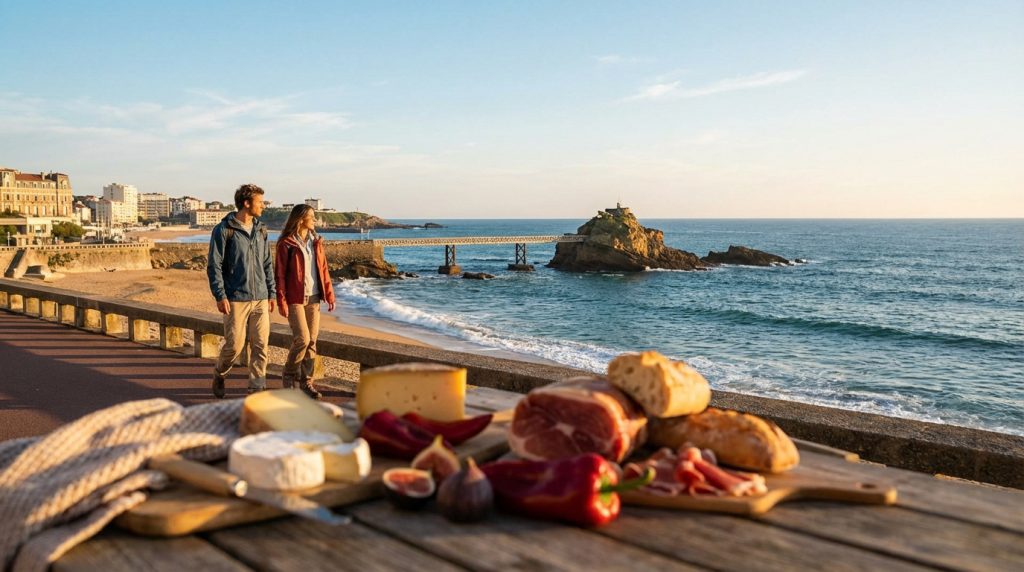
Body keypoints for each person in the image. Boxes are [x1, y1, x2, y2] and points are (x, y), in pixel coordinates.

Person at [207, 184, 276, 398]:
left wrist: (271, 292)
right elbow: (214, 265)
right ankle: (220, 372)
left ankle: (257, 388)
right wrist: (220, 295)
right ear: (246, 203)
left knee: (261, 345)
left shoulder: (261, 229)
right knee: (235, 346)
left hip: (261, 297)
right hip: (236, 297)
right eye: (260, 202)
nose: (263, 206)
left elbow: (267, 263)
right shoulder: (223, 230)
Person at [274, 204, 335, 400]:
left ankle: (307, 381)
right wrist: (281, 300)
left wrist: (330, 293)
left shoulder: (316, 242)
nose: (315, 220)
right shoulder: (286, 244)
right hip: (295, 298)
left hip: (315, 297)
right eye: (312, 216)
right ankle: (289, 375)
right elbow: (280, 275)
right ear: (301, 219)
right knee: (302, 339)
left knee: (312, 342)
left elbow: (323, 269)